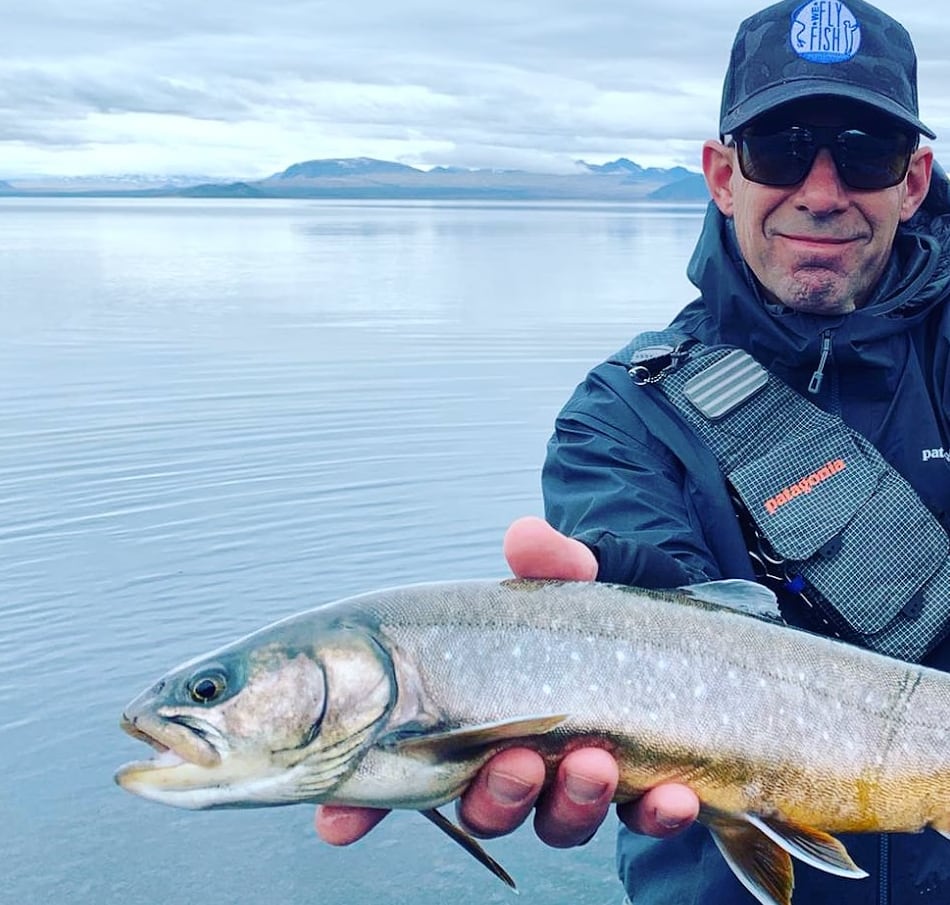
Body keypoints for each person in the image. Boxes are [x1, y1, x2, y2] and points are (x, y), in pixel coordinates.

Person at [317, 0, 950, 901]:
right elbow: (651, 595)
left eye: (863, 153)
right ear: (722, 175)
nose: (820, 189)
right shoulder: (618, 417)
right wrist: (621, 594)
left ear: (914, 180)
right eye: (780, 150)